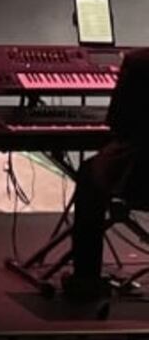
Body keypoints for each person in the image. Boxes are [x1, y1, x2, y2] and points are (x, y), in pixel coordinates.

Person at [64, 49, 149, 301]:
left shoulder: (140, 62)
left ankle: (86, 280)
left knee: (90, 174)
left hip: (140, 179)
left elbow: (118, 123)